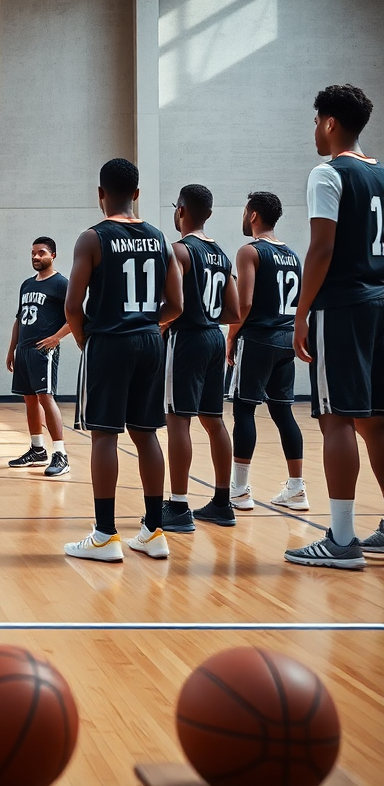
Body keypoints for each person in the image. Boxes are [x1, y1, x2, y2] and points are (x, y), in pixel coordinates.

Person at [64, 158, 183, 562]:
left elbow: (72, 306)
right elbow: (177, 305)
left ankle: (104, 535)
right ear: (136, 193)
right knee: (146, 434)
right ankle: (154, 531)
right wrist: (148, 326)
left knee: (104, 435)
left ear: (100, 194)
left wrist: (85, 340)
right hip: (151, 341)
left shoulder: (92, 238)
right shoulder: (160, 238)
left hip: (109, 342)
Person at [289, 84, 384, 569]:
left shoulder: (328, 173)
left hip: (343, 305)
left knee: (336, 418)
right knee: (376, 420)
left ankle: (342, 540)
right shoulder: (382, 173)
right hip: (380, 303)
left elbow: (322, 249)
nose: (314, 132)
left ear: (329, 123)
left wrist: (301, 313)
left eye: (315, 122)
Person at [163, 184, 240, 532]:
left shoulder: (180, 250)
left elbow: (172, 305)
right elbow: (234, 312)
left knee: (178, 421)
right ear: (207, 214)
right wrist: (208, 315)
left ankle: (179, 506)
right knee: (214, 420)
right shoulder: (222, 254)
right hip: (214, 339)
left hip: (187, 339)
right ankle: (223, 503)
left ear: (180, 210)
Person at [225, 192, 307, 514]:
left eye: (245, 211)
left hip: (258, 339)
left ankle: (239, 491)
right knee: (283, 413)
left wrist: (231, 335)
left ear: (254, 215)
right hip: (286, 340)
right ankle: (297, 488)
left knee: (244, 410)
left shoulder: (250, 251)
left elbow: (244, 303)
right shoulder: (292, 255)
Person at [6, 236, 71, 476]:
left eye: (41, 252)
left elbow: (76, 316)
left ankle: (61, 454)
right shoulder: (26, 284)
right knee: (30, 399)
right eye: (33, 253)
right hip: (24, 350)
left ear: (53, 255)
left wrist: (56, 338)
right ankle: (37, 449)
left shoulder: (61, 284)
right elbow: (18, 320)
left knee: (46, 397)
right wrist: (12, 349)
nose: (35, 256)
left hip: (44, 350)